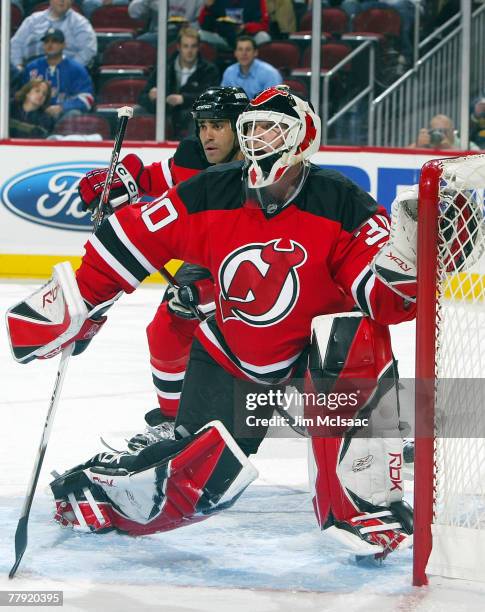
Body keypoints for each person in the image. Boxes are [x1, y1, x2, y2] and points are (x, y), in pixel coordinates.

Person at [18, 86, 416, 559]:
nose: (256, 138)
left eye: (270, 128)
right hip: (230, 357)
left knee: (351, 334)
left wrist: (408, 264)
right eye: (250, 128)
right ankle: (103, 485)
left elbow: (381, 300)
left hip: (309, 361)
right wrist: (79, 301)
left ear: (302, 135)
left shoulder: (342, 202)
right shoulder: (212, 188)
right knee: (197, 483)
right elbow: (136, 237)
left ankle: (363, 501)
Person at [78, 86, 249, 444]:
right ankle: (175, 423)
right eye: (203, 126)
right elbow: (156, 178)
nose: (207, 135)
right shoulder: (192, 157)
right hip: (206, 260)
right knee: (164, 328)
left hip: (261, 265)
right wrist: (117, 183)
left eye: (217, 125)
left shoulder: (261, 165)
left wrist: (207, 293)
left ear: (240, 126)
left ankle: (360, 419)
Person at [138, 27, 219, 138]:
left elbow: (211, 98)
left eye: (193, 46)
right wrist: (150, 96)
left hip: (190, 117)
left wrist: (183, 99)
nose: (189, 51)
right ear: (178, 47)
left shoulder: (209, 70)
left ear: (199, 47)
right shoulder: (165, 68)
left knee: (198, 117)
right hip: (165, 115)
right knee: (138, 112)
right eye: (186, 46)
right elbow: (142, 96)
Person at [21, 28, 94, 123]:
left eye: (55, 41)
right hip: (35, 115)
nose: (50, 45)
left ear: (64, 45)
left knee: (74, 114)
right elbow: (21, 94)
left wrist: (62, 107)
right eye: (46, 41)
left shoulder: (77, 69)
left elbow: (87, 98)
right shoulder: (32, 67)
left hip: (64, 116)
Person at [10, 0, 97, 71]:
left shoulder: (81, 23)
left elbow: (88, 51)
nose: (62, 1)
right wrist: (18, 66)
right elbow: (15, 44)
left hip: (65, 72)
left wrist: (69, 69)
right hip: (31, 72)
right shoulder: (32, 20)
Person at [221, 35, 282, 100]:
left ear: (255, 52)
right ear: (235, 53)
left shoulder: (270, 73)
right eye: (240, 49)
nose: (244, 53)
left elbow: (273, 103)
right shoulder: (229, 72)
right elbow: (224, 99)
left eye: (248, 49)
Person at [128, 0, 205, 46]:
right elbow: (134, 13)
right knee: (140, 43)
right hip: (158, 34)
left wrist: (189, 26)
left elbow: (200, 22)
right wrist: (147, 1)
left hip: (188, 34)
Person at [199, 0, 271, 48]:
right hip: (224, 40)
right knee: (200, 34)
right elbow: (205, 27)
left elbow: (264, 25)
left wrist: (245, 27)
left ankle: (259, 68)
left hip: (249, 40)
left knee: (263, 36)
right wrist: (208, 7)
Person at [409, 113, 476, 149]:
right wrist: (417, 146)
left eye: (444, 131)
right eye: (435, 131)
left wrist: (451, 149)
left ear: (452, 130)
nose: (439, 134)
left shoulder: (466, 145)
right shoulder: (428, 142)